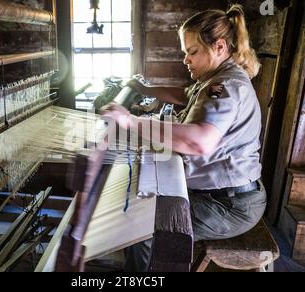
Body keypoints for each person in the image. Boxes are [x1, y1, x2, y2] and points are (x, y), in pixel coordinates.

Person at [101, 4, 267, 272]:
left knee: (141, 225)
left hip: (230, 204)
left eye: (192, 52)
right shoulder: (214, 78)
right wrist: (143, 88)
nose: (186, 60)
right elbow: (184, 96)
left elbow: (198, 141)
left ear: (220, 47)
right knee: (138, 205)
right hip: (217, 194)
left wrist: (130, 121)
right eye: (185, 53)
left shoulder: (225, 86)